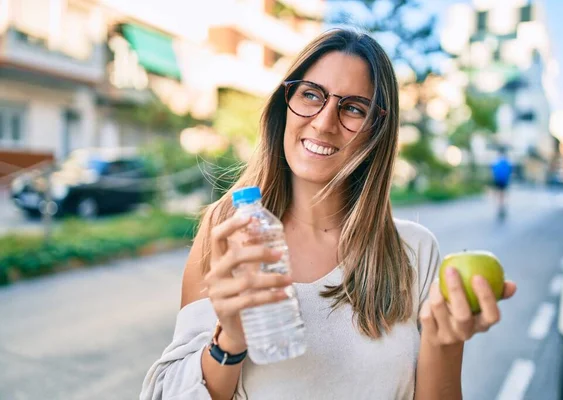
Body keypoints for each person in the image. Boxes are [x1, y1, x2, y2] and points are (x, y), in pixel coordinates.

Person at [140, 28, 517, 400]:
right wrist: (231, 339)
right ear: (282, 105)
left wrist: (444, 342)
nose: (323, 122)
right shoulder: (231, 229)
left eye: (353, 108)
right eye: (311, 95)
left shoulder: (415, 251)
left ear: (377, 131)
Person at [490, 148, 513, 220]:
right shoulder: (507, 162)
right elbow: (510, 171)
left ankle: (500, 206)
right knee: (503, 194)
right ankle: (503, 206)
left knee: (499, 193)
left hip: (498, 180)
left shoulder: (496, 161)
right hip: (505, 180)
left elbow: (493, 171)